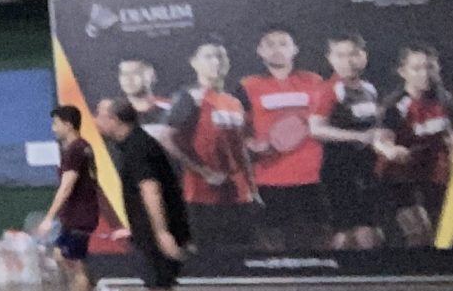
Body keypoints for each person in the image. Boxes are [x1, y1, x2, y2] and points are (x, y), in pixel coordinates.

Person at [95, 97, 205, 291]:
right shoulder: (135, 144)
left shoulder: (138, 148)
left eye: (100, 115)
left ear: (115, 120)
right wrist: (136, 227)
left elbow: (151, 190)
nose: (96, 120)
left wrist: (161, 232)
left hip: (158, 233)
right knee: (167, 289)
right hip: (152, 230)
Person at [241, 26, 330, 251]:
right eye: (269, 44)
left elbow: (326, 120)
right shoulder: (247, 86)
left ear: (295, 49)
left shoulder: (314, 81)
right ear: (260, 51)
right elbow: (235, 129)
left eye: (283, 44)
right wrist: (250, 144)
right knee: (272, 247)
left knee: (317, 242)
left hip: (312, 177)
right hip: (267, 179)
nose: (276, 49)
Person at [165, 41, 255, 257]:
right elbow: (167, 138)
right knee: (207, 258)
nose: (216, 62)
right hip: (202, 196)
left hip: (238, 194)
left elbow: (240, 147)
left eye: (221, 56)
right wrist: (204, 172)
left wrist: (252, 187)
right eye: (208, 56)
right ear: (194, 63)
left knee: (241, 256)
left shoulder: (234, 102)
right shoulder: (189, 98)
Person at [41, 104, 114, 291]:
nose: (53, 128)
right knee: (61, 256)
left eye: (56, 123)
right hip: (78, 214)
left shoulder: (75, 150)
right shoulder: (83, 147)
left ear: (68, 124)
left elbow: (66, 186)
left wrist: (49, 217)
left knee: (75, 264)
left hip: (79, 216)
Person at [314, 34, 390, 250]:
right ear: (330, 59)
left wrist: (383, 137)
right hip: (340, 168)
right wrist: (359, 137)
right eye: (340, 55)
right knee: (350, 232)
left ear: (364, 56)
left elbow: (373, 128)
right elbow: (316, 129)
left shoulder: (369, 89)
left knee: (369, 231)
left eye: (353, 54)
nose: (348, 61)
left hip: (367, 167)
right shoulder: (328, 89)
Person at [380, 43, 453, 246]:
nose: (425, 74)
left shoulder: (444, 99)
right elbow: (382, 140)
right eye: (416, 68)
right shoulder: (395, 105)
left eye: (430, 67)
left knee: (442, 233)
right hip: (400, 178)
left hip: (432, 175)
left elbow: (449, 136)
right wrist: (391, 150)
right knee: (419, 232)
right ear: (403, 72)